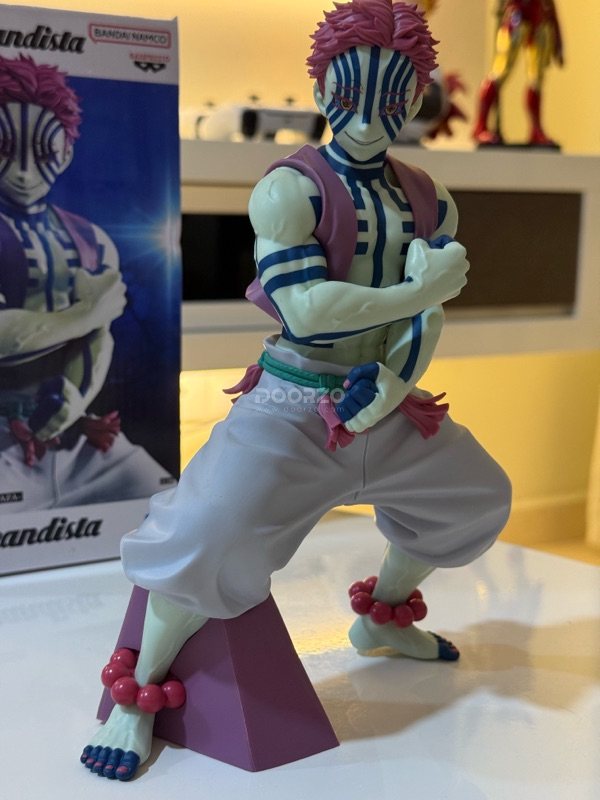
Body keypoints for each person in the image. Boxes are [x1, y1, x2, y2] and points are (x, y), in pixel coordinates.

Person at [81, 0, 511, 782]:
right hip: (292, 404)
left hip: (384, 398)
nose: (370, 119)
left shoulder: (427, 196)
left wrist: (397, 379)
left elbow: (429, 316)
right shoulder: (291, 190)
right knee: (206, 535)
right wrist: (420, 292)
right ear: (321, 91)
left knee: (474, 496)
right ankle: (137, 695)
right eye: (351, 96)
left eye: (392, 99)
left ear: (415, 98)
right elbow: (308, 310)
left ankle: (381, 619)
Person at [0, 54, 172, 508]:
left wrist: (74, 399)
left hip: (73, 433)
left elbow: (99, 337)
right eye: (4, 148)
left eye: (42, 153)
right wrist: (88, 311)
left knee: (160, 506)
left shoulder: (88, 238)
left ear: (65, 154)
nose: (23, 171)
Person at [473, 0, 563, 146]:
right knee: (500, 72)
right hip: (516, 17)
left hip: (538, 20)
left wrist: (557, 37)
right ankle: (480, 126)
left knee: (536, 78)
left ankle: (536, 130)